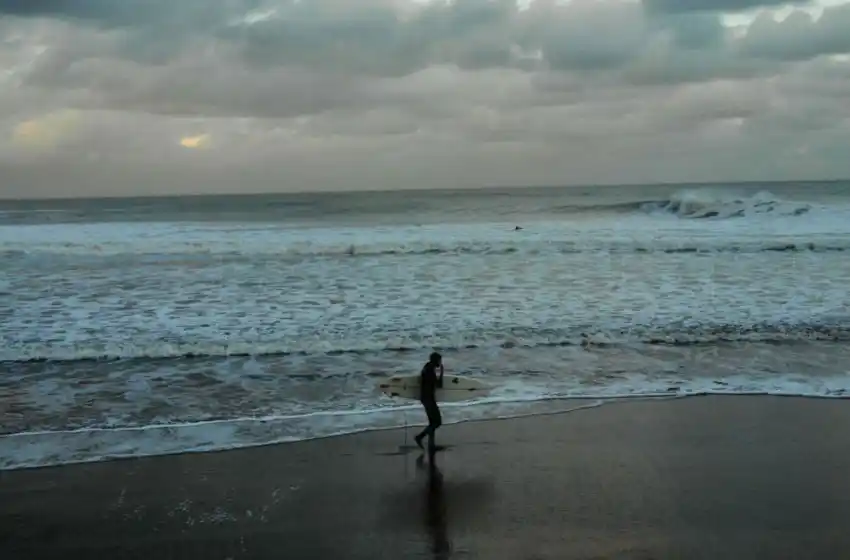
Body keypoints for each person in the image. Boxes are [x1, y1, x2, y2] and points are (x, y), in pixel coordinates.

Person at [414, 352, 444, 451]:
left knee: (432, 422)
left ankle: (431, 445)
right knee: (437, 422)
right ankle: (419, 437)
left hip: (426, 398)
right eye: (439, 360)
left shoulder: (426, 367)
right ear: (435, 360)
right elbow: (439, 385)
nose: (440, 362)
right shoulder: (430, 371)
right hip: (428, 399)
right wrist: (442, 372)